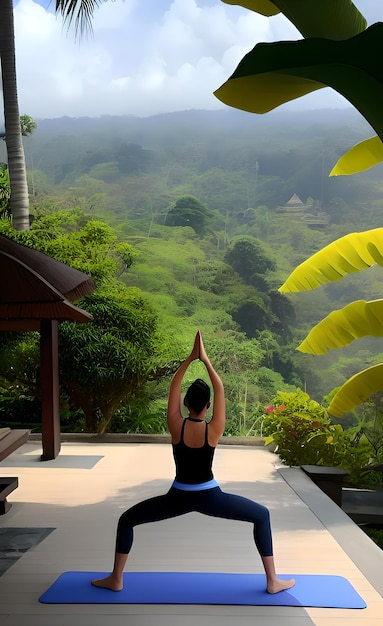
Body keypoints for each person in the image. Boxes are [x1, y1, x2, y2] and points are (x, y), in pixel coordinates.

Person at [92, 331, 294, 594]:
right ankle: (273, 581)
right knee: (262, 516)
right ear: (208, 405)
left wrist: (189, 360)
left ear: (186, 403)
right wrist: (205, 360)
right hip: (211, 496)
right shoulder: (214, 430)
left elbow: (173, 387)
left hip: (177, 496)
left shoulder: (176, 426)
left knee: (127, 520)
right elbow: (219, 388)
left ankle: (116, 578)